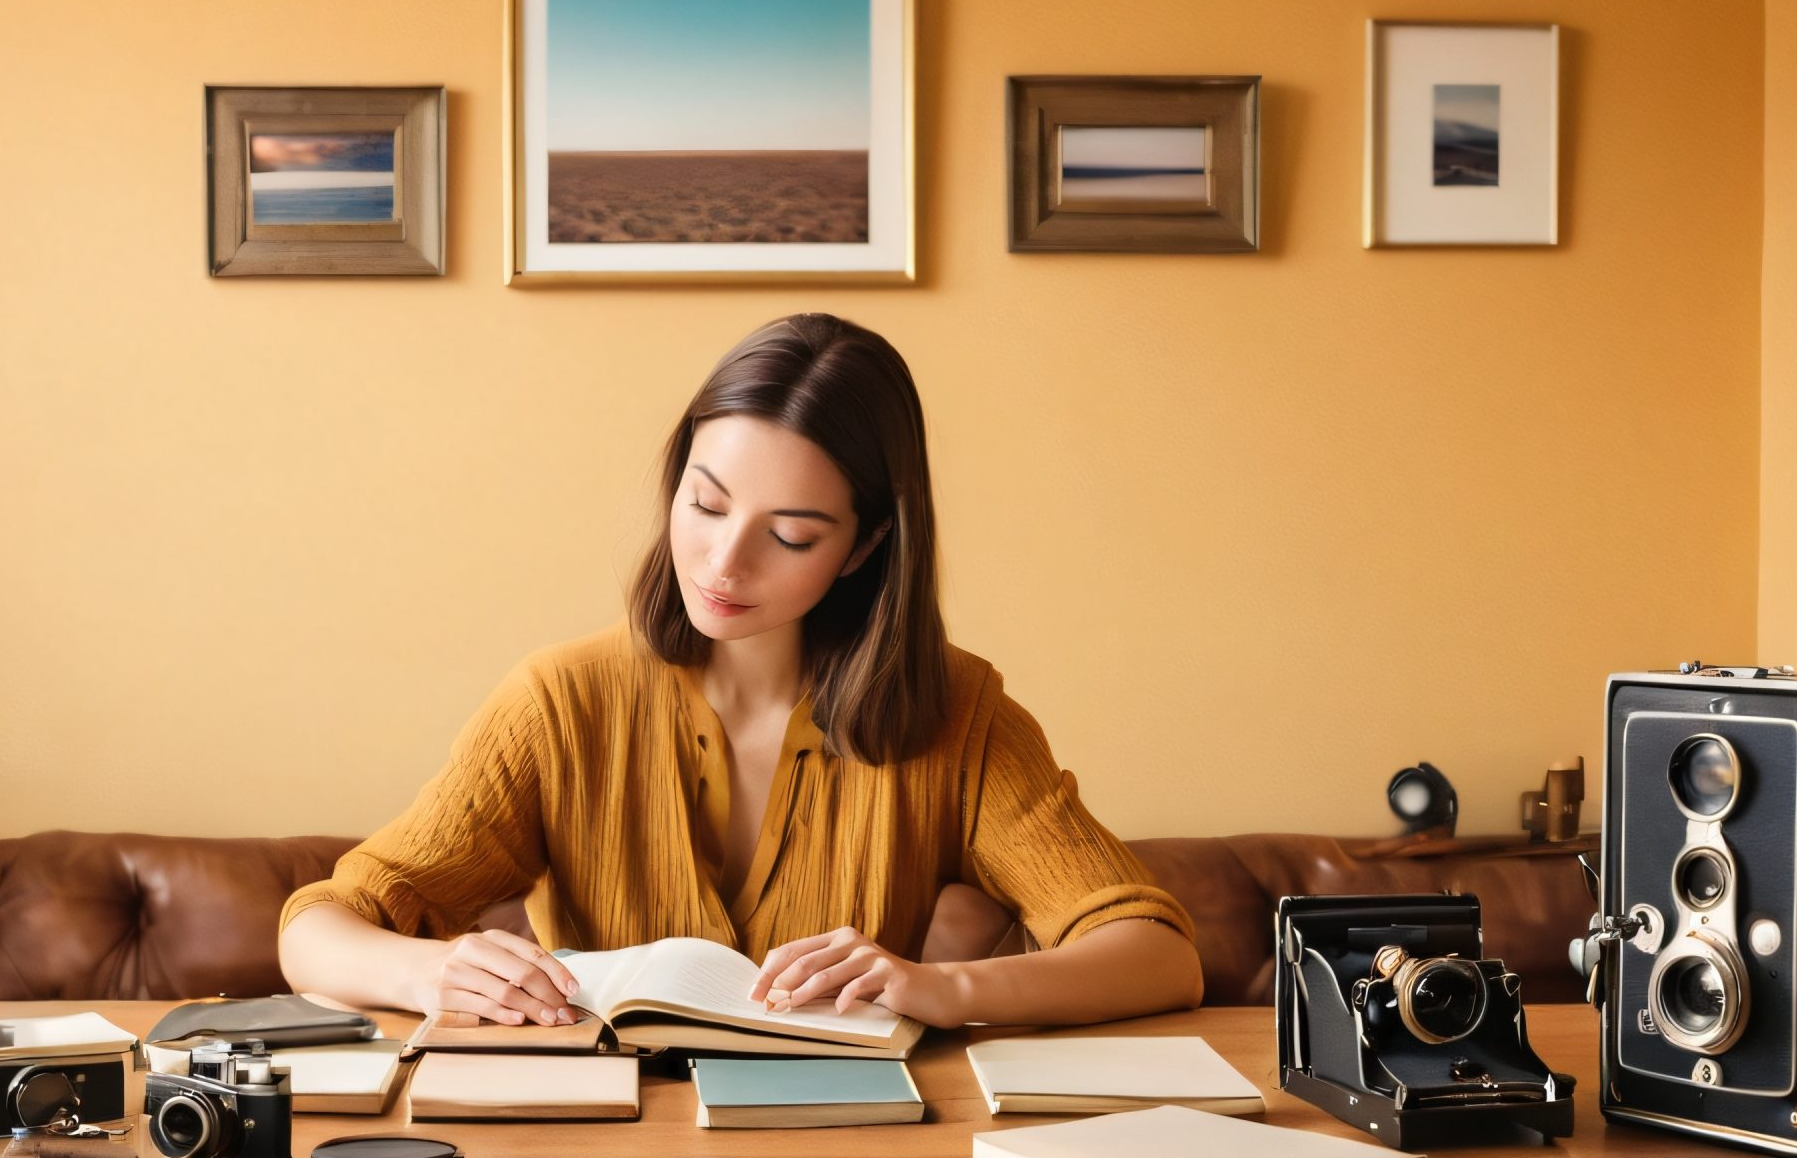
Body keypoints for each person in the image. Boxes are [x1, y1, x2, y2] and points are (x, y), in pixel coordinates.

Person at [277, 313, 1203, 1029]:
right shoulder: (560, 704)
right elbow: (321, 924)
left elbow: (1158, 952)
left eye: (790, 535)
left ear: (865, 546)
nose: (723, 565)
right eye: (706, 504)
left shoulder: (959, 713)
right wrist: (426, 971)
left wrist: (939, 986)